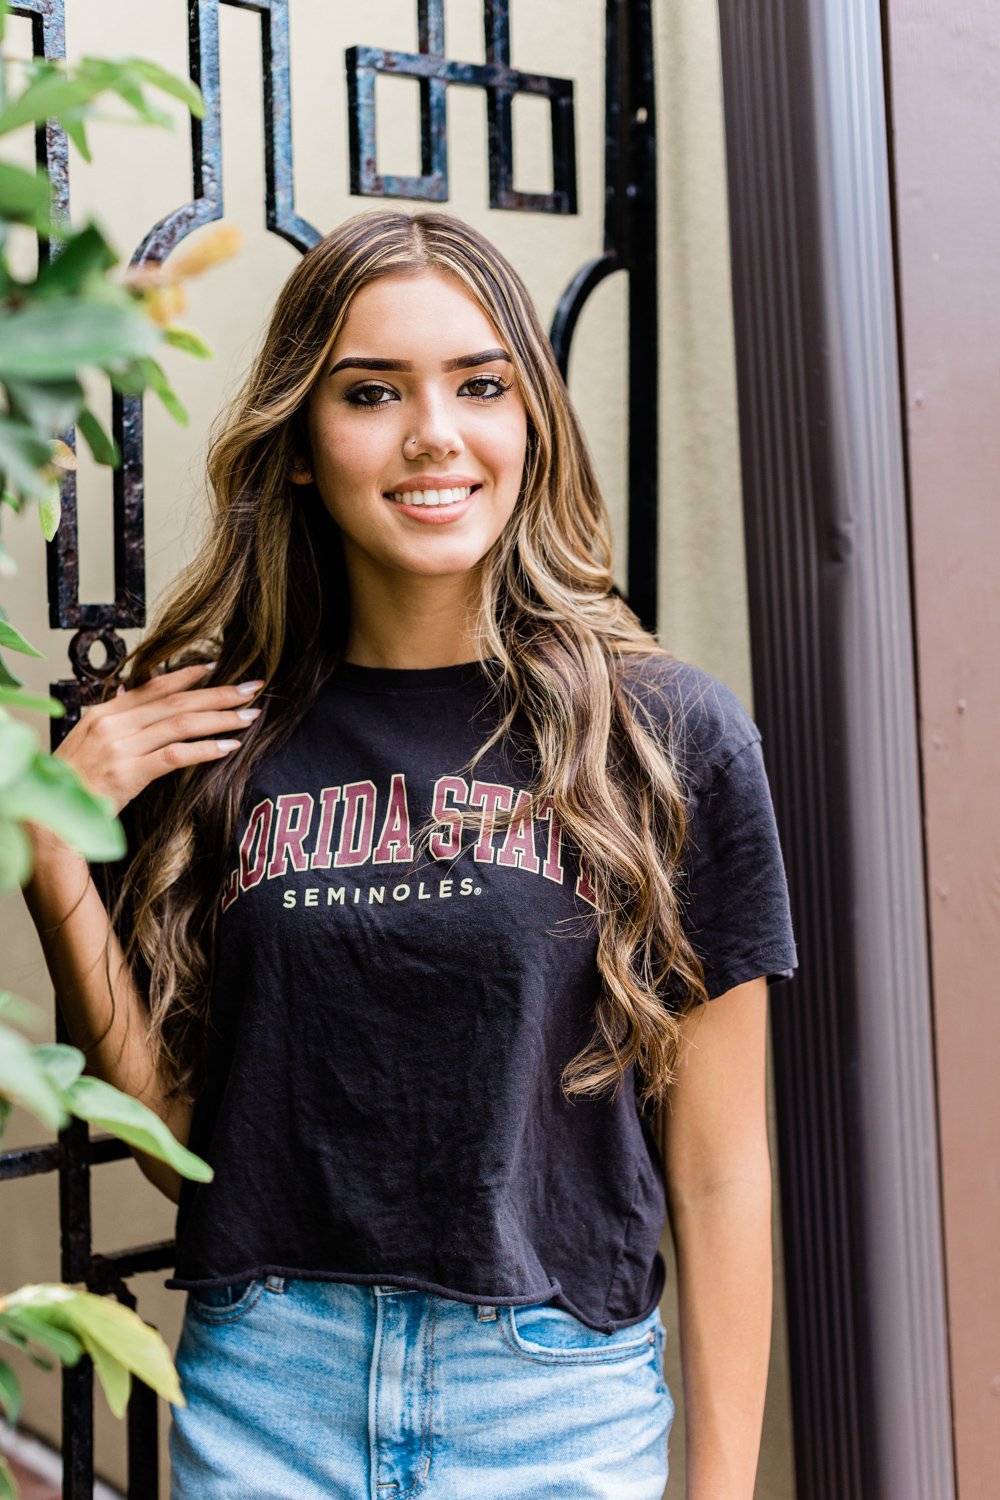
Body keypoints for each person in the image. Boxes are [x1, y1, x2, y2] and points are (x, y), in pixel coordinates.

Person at [21, 208, 798, 1499]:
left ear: (531, 424)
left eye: (480, 384)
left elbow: (720, 1172)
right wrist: (52, 852)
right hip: (272, 1388)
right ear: (304, 448)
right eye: (373, 393)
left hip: (551, 1400)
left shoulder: (665, 736)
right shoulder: (222, 737)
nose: (435, 432)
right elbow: (184, 1146)